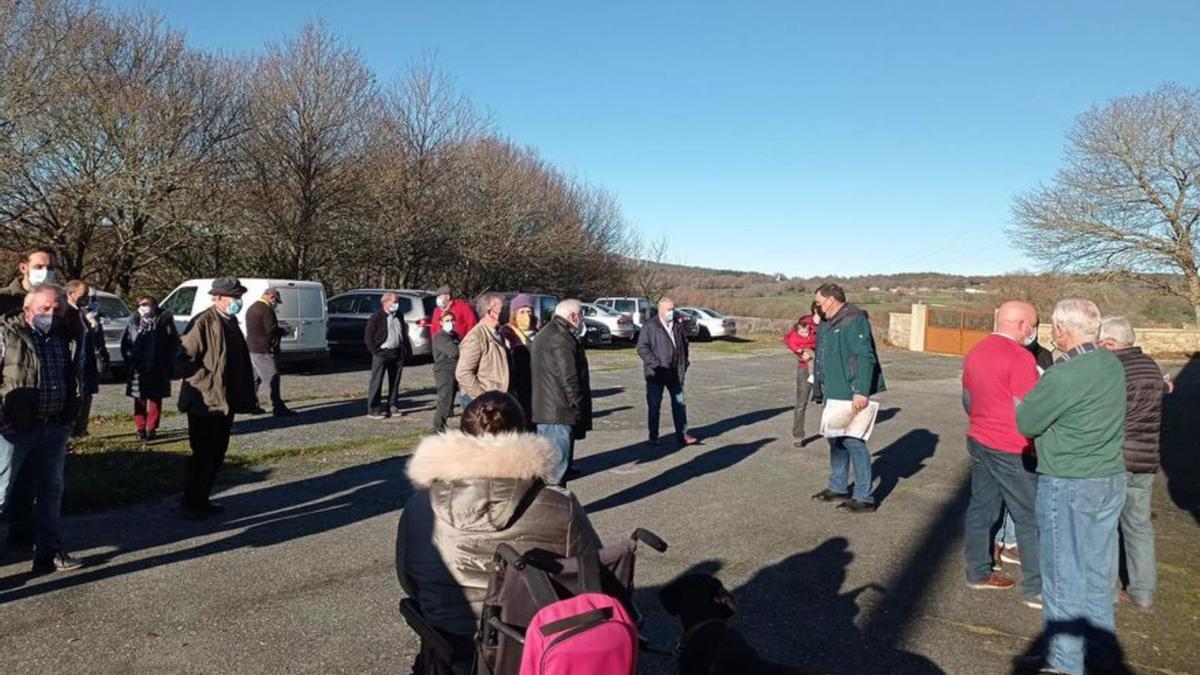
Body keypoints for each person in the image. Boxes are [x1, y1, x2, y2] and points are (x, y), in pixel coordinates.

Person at [396, 391, 601, 673]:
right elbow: (592, 576)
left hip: (447, 648)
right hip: (534, 647)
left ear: (462, 436)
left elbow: (409, 580)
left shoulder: (419, 506)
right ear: (523, 433)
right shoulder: (560, 506)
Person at [1016, 299, 1127, 675]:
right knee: (1097, 574)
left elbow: (1027, 420)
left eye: (1053, 327)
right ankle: (1099, 655)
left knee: (1063, 574)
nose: (1051, 333)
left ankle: (1065, 662)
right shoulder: (1110, 363)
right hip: (1109, 478)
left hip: (1069, 480)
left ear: (1063, 330)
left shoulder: (1066, 373)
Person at [960, 301, 1043, 607]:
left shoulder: (976, 351)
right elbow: (1032, 408)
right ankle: (1037, 590)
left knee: (982, 508)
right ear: (1022, 325)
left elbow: (968, 399)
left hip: (980, 439)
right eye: (1032, 325)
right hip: (1011, 447)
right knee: (1030, 516)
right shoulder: (1020, 358)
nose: (1033, 332)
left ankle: (978, 572)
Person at [0, 285, 84, 572]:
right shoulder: (7, 335)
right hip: (13, 430)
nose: (51, 314)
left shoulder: (66, 337)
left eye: (57, 309)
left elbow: (75, 377)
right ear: (27, 310)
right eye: (44, 309)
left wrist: (71, 417)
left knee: (51, 492)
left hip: (54, 427)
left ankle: (49, 553)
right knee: (2, 494)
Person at [1099, 316, 1168, 612]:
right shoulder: (1150, 366)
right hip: (1147, 458)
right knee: (1138, 526)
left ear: (1110, 343)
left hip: (1118, 457)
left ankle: (1108, 591)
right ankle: (1143, 591)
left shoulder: (1112, 369)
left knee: (1107, 525)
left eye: (1101, 343)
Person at [175, 277, 257, 520]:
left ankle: (203, 499)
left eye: (239, 297)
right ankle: (191, 503)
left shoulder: (231, 322)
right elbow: (182, 360)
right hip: (204, 403)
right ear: (218, 297)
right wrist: (205, 380)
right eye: (234, 298)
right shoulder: (203, 322)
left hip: (225, 401)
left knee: (217, 453)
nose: (238, 302)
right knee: (202, 454)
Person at [809, 283, 886, 513]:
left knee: (853, 441)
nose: (817, 307)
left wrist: (861, 390)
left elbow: (865, 357)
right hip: (832, 391)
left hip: (850, 392)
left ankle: (864, 497)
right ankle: (838, 486)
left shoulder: (854, 320)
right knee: (835, 439)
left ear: (831, 300)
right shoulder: (827, 323)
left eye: (819, 302)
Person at [0, 248, 58, 549]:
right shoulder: (4, 303)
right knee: (4, 484)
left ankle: (28, 538)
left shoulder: (55, 303)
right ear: (24, 267)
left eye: (50, 266)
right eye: (39, 266)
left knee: (39, 483)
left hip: (47, 412)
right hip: (11, 412)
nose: (45, 271)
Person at [531, 299, 593, 486]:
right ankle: (554, 510)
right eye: (581, 316)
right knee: (556, 471)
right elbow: (569, 377)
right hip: (559, 411)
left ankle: (554, 507)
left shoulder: (548, 333)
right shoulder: (560, 338)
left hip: (549, 409)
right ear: (573, 316)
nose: (582, 320)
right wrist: (578, 405)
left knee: (552, 467)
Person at [636, 297, 699, 448]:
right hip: (656, 373)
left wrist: (685, 362)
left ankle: (682, 434)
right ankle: (653, 436)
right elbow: (642, 348)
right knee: (654, 405)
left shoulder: (677, 326)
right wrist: (656, 365)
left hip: (675, 373)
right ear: (660, 310)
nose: (671, 312)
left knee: (680, 404)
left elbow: (684, 345)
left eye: (673, 309)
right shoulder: (650, 326)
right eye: (668, 310)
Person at [121, 296, 180, 441]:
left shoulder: (164, 320)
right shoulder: (133, 321)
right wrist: (130, 358)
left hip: (158, 365)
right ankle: (140, 427)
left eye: (148, 304)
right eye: (142, 304)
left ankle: (151, 427)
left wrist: (167, 360)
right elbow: (126, 342)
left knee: (155, 398)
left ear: (155, 305)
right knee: (139, 398)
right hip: (138, 365)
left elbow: (173, 341)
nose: (145, 307)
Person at [246, 287, 296, 417]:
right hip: (263, 349)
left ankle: (251, 404)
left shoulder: (252, 308)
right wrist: (284, 331)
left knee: (255, 378)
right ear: (271, 297)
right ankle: (278, 407)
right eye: (276, 301)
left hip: (252, 348)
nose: (275, 304)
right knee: (272, 377)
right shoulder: (266, 309)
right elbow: (271, 329)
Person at [64, 280, 103, 438]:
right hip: (71, 364)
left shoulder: (82, 313)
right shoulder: (65, 312)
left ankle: (80, 428)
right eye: (83, 295)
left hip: (86, 361)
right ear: (71, 294)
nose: (87, 299)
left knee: (86, 394)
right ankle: (72, 429)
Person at [364, 292, 411, 420]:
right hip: (382, 352)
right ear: (386, 302)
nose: (396, 304)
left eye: (397, 302)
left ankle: (392, 405)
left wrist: (406, 349)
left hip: (397, 352)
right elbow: (368, 337)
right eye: (394, 302)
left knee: (395, 381)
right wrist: (375, 351)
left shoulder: (399, 315)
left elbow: (403, 333)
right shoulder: (376, 317)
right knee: (377, 381)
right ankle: (373, 408)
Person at [455, 292, 510, 403]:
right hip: (484, 401)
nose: (506, 312)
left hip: (500, 397)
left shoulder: (499, 333)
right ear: (490, 312)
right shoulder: (476, 337)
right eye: (502, 309)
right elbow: (463, 373)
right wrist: (483, 398)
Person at [499, 293, 537, 429]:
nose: (527, 315)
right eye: (522, 312)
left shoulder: (538, 334)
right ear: (514, 314)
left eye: (529, 311)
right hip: (516, 388)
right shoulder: (507, 333)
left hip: (535, 388)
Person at [785, 304, 820, 447]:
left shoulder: (830, 323)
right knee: (801, 403)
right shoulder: (805, 323)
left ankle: (834, 433)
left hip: (826, 367)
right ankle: (798, 435)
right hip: (805, 368)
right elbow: (791, 340)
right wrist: (800, 353)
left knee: (830, 402)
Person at [431, 313, 461, 433]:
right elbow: (454, 351)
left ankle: (447, 417)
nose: (450, 322)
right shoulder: (440, 337)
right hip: (444, 371)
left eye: (452, 320)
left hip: (455, 369)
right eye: (447, 320)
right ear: (441, 322)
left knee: (451, 398)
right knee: (445, 399)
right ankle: (438, 427)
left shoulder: (455, 335)